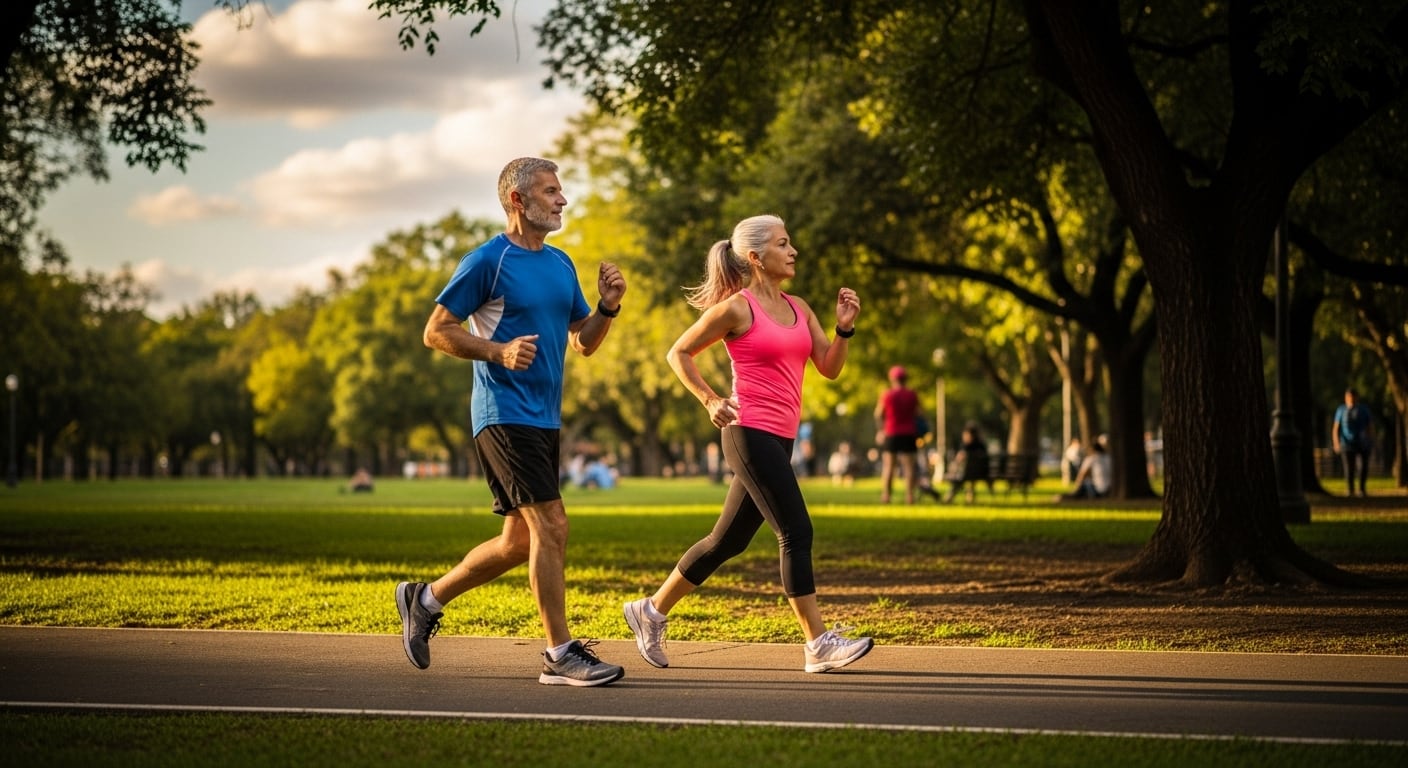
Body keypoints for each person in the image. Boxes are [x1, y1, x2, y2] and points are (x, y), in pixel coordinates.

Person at [395, 156, 627, 687]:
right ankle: (560, 653)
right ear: (518, 201)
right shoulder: (487, 261)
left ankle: (424, 599)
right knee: (553, 524)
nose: (562, 200)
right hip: (503, 412)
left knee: (518, 543)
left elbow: (582, 341)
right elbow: (436, 331)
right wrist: (497, 352)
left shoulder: (562, 263)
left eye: (561, 190)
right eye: (550, 191)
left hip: (544, 417)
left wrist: (607, 309)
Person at [623, 214, 873, 674]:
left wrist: (844, 330)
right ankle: (818, 644)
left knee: (726, 541)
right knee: (796, 531)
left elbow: (829, 367)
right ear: (756, 257)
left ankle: (651, 610)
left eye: (791, 241)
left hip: (781, 437)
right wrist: (709, 398)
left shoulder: (800, 307)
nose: (793, 250)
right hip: (747, 429)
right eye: (783, 243)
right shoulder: (737, 308)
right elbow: (677, 352)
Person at [874, 365, 921, 504]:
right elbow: (919, 413)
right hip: (909, 432)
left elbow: (878, 414)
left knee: (889, 466)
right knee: (909, 467)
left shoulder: (887, 394)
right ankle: (910, 497)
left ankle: (886, 496)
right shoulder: (912, 394)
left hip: (891, 432)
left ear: (892, 379)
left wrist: (880, 430)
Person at [1332, 388, 1375, 497]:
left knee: (1363, 467)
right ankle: (1350, 490)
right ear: (1346, 398)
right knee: (1349, 468)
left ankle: (1361, 489)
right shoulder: (1341, 410)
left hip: (1362, 443)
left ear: (1357, 397)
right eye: (1349, 397)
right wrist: (1336, 443)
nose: (1351, 399)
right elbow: (1336, 428)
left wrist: (1370, 440)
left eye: (1353, 396)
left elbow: (1370, 426)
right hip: (1346, 444)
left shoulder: (1364, 409)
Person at [943, 424, 990, 503]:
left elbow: (958, 459)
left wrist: (953, 469)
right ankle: (970, 496)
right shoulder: (981, 446)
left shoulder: (966, 447)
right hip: (982, 473)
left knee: (959, 478)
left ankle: (949, 497)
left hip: (967, 474)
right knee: (964, 476)